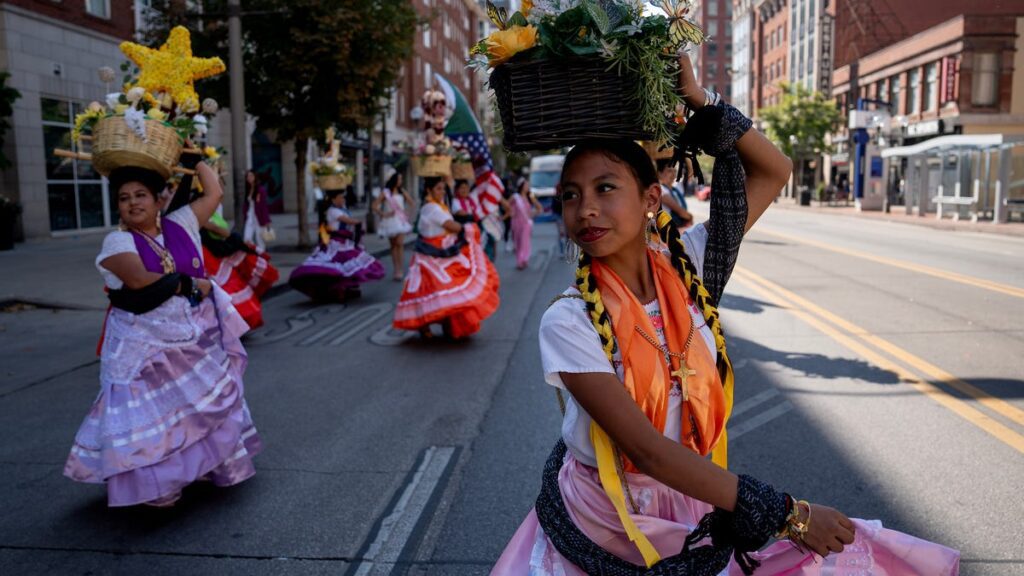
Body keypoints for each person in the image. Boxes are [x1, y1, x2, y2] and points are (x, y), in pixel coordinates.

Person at [492, 57, 959, 575]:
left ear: (651, 199)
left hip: (695, 491)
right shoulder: (569, 321)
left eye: (605, 188)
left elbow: (774, 170)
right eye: (571, 195)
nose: (585, 209)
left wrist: (702, 100)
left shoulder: (691, 265)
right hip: (610, 516)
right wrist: (790, 516)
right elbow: (648, 452)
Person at [64, 161, 261, 507]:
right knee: (149, 416)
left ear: (159, 200)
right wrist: (190, 284)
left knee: (194, 407)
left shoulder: (181, 223)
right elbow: (138, 279)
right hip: (139, 345)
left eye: (141, 195)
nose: (132, 202)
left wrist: (192, 157)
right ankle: (156, 483)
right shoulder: (117, 241)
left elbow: (214, 192)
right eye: (124, 197)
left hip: (189, 336)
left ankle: (202, 467)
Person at [393, 176, 500, 339]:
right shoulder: (432, 208)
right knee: (435, 291)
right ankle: (425, 324)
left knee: (440, 292)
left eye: (443, 188)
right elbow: (450, 225)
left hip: (440, 253)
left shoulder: (437, 206)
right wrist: (468, 228)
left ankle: (445, 323)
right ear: (428, 190)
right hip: (431, 256)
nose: (442, 192)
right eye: (438, 188)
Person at [289, 188, 385, 302]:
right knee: (339, 264)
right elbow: (347, 220)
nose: (343, 199)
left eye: (343, 197)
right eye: (340, 197)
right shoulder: (333, 211)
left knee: (347, 263)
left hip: (345, 241)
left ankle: (346, 287)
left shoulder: (341, 209)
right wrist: (358, 222)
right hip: (336, 242)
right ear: (333, 199)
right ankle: (337, 288)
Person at [200, 203, 280, 330]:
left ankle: (233, 323)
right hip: (208, 254)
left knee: (226, 287)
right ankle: (228, 323)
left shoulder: (213, 207)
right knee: (222, 287)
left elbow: (220, 229)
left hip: (216, 251)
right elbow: (218, 229)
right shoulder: (201, 209)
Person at [372, 172, 415, 281]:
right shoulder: (386, 192)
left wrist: (407, 213)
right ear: (394, 179)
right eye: (399, 179)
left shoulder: (402, 191)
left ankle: (400, 269)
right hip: (390, 221)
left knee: (400, 244)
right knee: (393, 245)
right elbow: (374, 205)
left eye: (401, 179)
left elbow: (411, 203)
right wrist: (383, 214)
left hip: (400, 220)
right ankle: (396, 269)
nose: (401, 181)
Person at [657, 157, 694, 229]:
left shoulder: (675, 189)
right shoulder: (661, 189)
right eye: (669, 171)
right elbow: (681, 212)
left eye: (675, 171)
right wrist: (690, 217)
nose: (673, 174)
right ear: (659, 173)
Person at [509, 178, 537, 270]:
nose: (528, 187)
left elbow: (539, 207)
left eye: (528, 185)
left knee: (525, 242)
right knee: (518, 242)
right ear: (521, 186)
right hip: (516, 222)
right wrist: (511, 212)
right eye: (526, 185)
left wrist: (533, 213)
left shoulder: (531, 196)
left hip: (526, 223)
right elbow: (507, 205)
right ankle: (520, 260)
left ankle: (523, 260)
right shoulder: (515, 197)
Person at [243, 170, 272, 250]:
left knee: (260, 239)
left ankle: (261, 254)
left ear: (255, 177)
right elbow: (246, 204)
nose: (249, 178)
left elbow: (264, 206)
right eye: (247, 176)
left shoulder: (260, 190)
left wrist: (267, 220)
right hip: (250, 216)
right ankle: (256, 252)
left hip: (259, 217)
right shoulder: (248, 189)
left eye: (251, 176)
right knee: (247, 239)